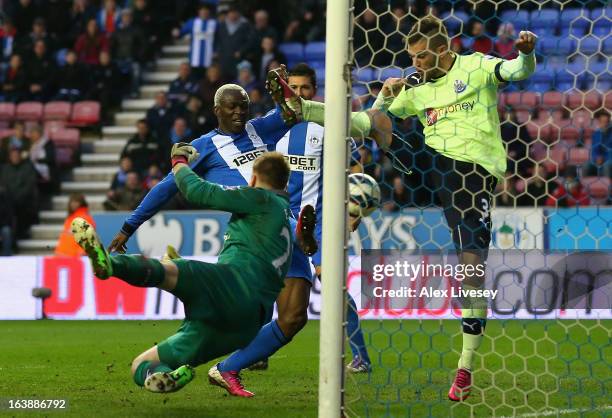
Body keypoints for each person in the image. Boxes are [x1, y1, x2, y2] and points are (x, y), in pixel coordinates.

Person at [269, 16, 537, 401]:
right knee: (381, 121)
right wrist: (354, 103)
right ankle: (316, 135)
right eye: (411, 56)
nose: (416, 64)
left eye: (422, 56)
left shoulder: (475, 66)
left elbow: (515, 69)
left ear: (443, 49)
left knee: (472, 269)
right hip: (428, 167)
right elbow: (365, 123)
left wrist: (526, 53)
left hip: (470, 174)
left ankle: (464, 368)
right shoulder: (415, 88)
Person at [107, 84, 316, 396]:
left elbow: (294, 110)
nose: (238, 113)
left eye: (243, 106)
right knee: (241, 300)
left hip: (282, 223)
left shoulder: (260, 129)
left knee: (294, 316)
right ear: (216, 110)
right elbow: (168, 187)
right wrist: (129, 225)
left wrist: (284, 90)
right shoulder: (204, 145)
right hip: (255, 233)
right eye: (231, 107)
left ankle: (230, 364)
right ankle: (228, 362)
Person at [72, 151, 310, 394]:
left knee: (170, 271)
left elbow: (197, 191)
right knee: (141, 365)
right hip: (246, 325)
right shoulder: (282, 215)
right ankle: (163, 376)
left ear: (253, 179)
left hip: (233, 287)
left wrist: (178, 161)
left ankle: (111, 265)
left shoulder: (260, 199)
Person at [215, 63, 371, 385]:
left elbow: (354, 167)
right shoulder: (272, 130)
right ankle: (257, 353)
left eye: (305, 89)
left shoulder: (326, 125)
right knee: (273, 286)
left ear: (315, 92)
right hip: (283, 219)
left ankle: (360, 356)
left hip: (320, 222)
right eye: (294, 89)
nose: (298, 95)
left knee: (334, 285)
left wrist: (353, 211)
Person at [172, 3, 216, 78]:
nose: (204, 13)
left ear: (209, 12)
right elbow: (181, 32)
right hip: (194, 59)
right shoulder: (192, 22)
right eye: (202, 11)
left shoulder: (215, 23)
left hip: (209, 59)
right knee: (195, 80)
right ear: (199, 12)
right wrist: (176, 33)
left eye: (206, 11)